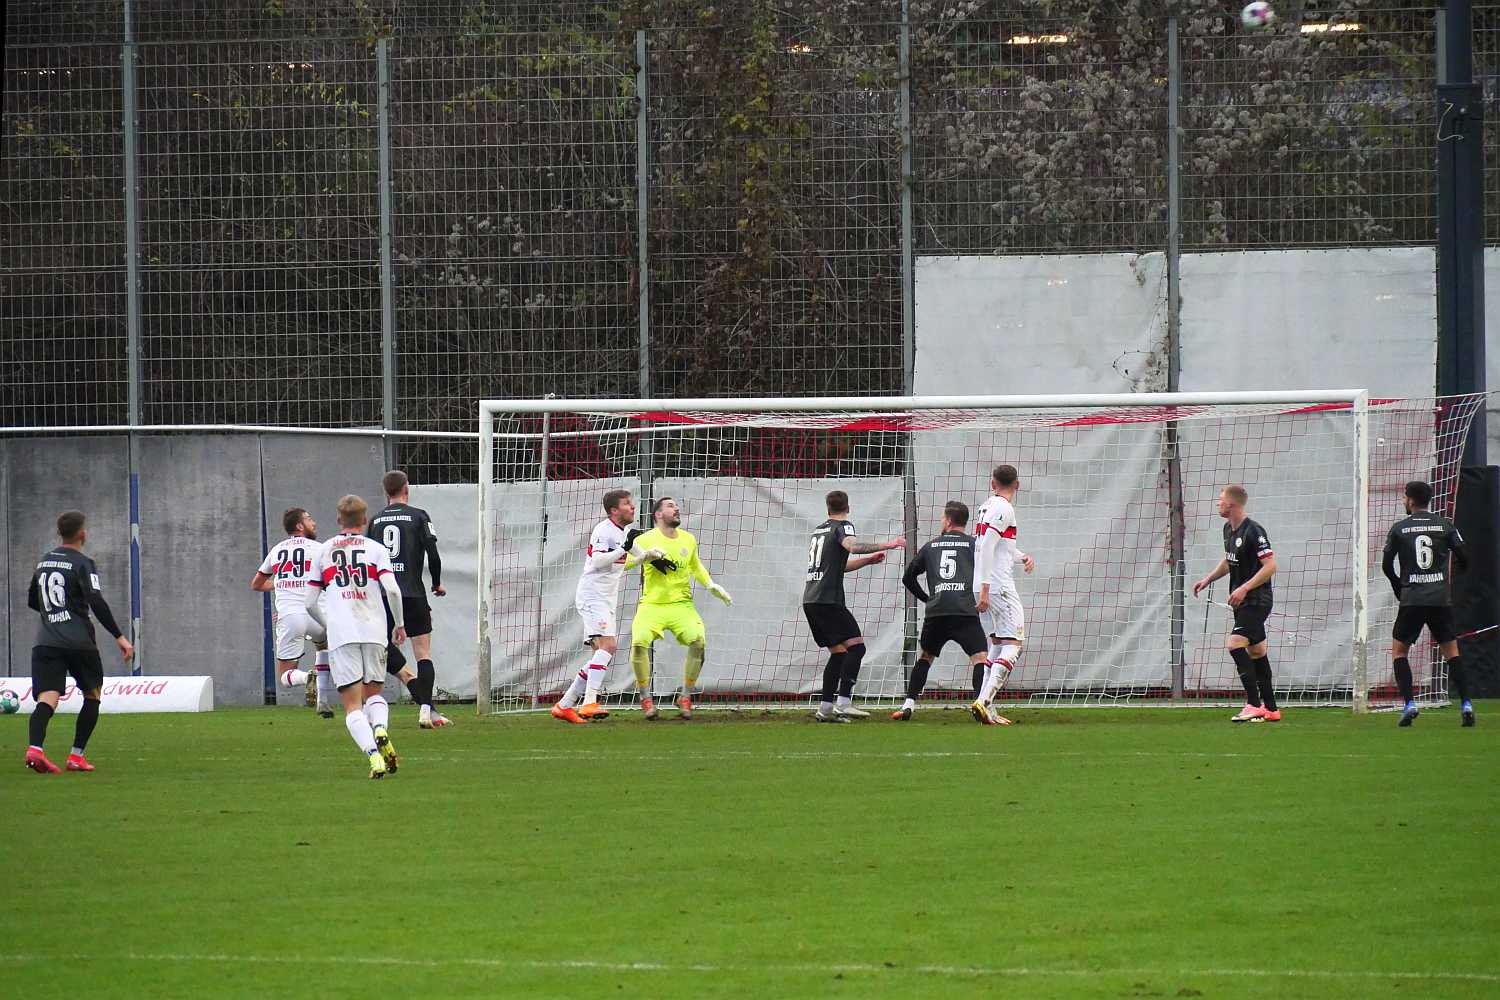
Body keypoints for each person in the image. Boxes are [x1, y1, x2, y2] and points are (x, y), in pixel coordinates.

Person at [24, 510, 134, 774]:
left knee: (47, 698)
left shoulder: (43, 562)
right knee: (92, 694)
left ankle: (35, 749)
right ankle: (76, 756)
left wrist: (55, 615)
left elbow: (33, 600)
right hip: (79, 642)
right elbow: (95, 600)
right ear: (83, 534)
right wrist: (119, 636)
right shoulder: (83, 563)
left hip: (46, 642)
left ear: (59, 533)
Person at [307, 495, 406, 779]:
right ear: (364, 520)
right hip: (374, 630)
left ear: (339, 519)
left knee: (352, 705)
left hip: (343, 634)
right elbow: (393, 590)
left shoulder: (324, 551)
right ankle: (380, 729)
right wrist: (399, 624)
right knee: (374, 694)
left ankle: (374, 757)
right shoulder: (376, 549)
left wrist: (330, 623)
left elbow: (309, 602)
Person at [553, 488, 662, 725]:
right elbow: (598, 561)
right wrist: (624, 548)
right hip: (593, 596)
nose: (632, 506)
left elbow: (638, 553)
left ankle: (565, 705)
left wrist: (654, 557)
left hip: (606, 598)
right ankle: (589, 702)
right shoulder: (603, 530)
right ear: (614, 510)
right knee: (608, 646)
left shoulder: (623, 532)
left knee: (600, 654)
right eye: (627, 503)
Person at [625, 497, 732, 720]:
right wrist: (643, 556)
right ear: (658, 514)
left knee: (698, 641)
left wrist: (710, 584)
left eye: (676, 506)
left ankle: (685, 696)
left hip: (682, 605)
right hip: (652, 605)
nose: (677, 509)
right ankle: (645, 698)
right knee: (639, 642)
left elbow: (695, 565)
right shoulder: (644, 539)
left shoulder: (688, 539)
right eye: (670, 506)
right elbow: (624, 563)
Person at [802, 490, 904, 723]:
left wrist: (868, 561)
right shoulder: (843, 527)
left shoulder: (819, 530)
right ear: (848, 508)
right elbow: (853, 546)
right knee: (857, 648)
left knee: (839, 653)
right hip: (828, 600)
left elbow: (837, 567)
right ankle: (844, 703)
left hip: (811, 600)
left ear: (827, 508)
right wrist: (890, 544)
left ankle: (825, 710)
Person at [891, 501, 994, 724]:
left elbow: (908, 578)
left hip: (937, 612)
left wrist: (927, 598)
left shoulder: (931, 546)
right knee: (980, 659)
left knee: (925, 657)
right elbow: (990, 572)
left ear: (948, 521)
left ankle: (908, 704)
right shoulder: (974, 545)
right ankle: (980, 705)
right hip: (964, 611)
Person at [1382, 480, 1471, 727]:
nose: (1403, 500)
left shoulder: (1400, 528)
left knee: (1399, 652)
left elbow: (1387, 566)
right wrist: (1448, 583)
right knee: (1451, 652)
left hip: (1412, 599)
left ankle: (1409, 704)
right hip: (1440, 599)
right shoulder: (1445, 525)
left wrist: (1398, 587)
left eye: (1404, 497)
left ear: (1411, 500)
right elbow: (1464, 558)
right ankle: (1466, 704)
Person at [369, 470, 451, 728]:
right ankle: (426, 710)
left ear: (386, 492)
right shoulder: (419, 515)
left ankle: (414, 689)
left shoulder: (375, 521)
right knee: (423, 653)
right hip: (413, 593)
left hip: (383, 595)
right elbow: (433, 554)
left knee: (381, 644)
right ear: (407, 488)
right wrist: (436, 583)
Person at [1193, 485, 1280, 723]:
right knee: (1257, 651)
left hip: (1257, 600)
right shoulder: (1228, 530)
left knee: (1235, 643)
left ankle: (1253, 704)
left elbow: (1271, 566)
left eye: (1220, 500)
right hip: (1241, 602)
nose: (1217, 504)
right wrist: (1208, 579)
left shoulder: (1254, 531)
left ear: (1231, 504)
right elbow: (1229, 560)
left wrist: (1244, 588)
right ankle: (1271, 709)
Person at [251, 506, 333, 716]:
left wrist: (281, 583)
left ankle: (306, 678)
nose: (313, 522)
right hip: (318, 615)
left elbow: (257, 584)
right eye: (308, 518)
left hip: (289, 617)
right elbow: (332, 581)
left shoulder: (277, 550)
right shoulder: (320, 548)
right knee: (323, 646)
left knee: (285, 675)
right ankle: (323, 701)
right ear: (299, 526)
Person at [972, 465, 1035, 724]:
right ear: (1017, 485)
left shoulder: (987, 505)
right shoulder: (1004, 508)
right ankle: (984, 700)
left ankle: (987, 707)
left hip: (986, 583)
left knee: (998, 644)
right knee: (1014, 644)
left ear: (992, 483)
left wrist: (1022, 556)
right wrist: (986, 588)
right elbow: (987, 546)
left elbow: (998, 546)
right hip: (997, 585)